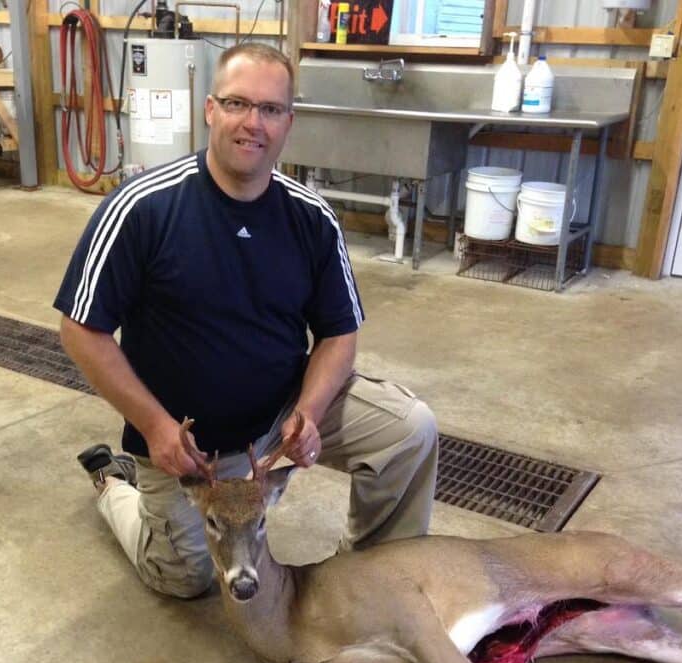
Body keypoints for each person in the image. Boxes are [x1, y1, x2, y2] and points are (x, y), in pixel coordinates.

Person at [54, 43, 439, 599]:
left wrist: (308, 411)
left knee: (408, 430)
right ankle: (115, 482)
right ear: (210, 109)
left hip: (278, 418)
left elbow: (339, 332)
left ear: (288, 121)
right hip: (181, 441)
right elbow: (80, 330)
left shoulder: (312, 218)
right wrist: (158, 428)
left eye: (270, 109)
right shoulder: (143, 208)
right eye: (237, 104)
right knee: (185, 578)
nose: (252, 123)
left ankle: (378, 579)